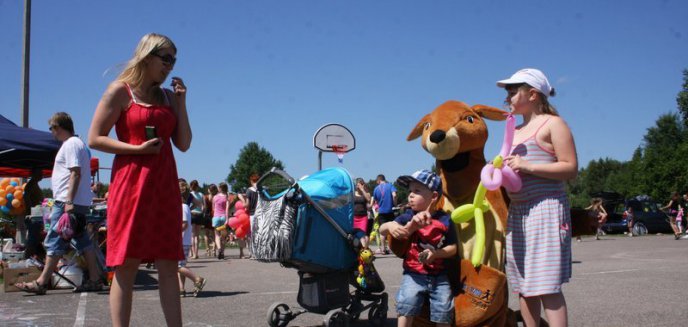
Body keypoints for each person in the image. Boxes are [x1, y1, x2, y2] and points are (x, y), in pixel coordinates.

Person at [87, 33, 191, 327]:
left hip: (164, 187)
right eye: (165, 59)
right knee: (126, 264)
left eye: (174, 60)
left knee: (169, 264)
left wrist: (181, 104)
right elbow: (95, 138)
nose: (170, 66)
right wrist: (136, 149)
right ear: (146, 56)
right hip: (130, 186)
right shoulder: (120, 92)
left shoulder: (170, 97)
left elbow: (183, 143)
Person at [499, 68, 577, 327]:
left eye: (513, 92)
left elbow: (570, 167)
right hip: (519, 212)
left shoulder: (553, 124)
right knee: (524, 286)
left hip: (546, 209)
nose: (508, 97)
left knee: (546, 286)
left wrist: (528, 165)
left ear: (532, 94)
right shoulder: (514, 130)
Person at [15, 112, 102, 294]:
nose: (51, 133)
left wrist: (68, 200)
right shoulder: (76, 144)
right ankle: (95, 279)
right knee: (82, 240)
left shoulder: (71, 144)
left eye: (52, 128)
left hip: (66, 202)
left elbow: (75, 172)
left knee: (55, 238)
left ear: (58, 127)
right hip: (73, 202)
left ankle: (41, 282)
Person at [379, 169, 457, 327]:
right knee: (406, 304)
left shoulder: (446, 220)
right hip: (413, 274)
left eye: (417, 191)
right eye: (409, 191)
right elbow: (384, 230)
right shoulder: (408, 216)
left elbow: (453, 248)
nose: (410, 195)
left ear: (434, 196)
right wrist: (391, 225)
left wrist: (436, 254)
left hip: (440, 276)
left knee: (444, 311)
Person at [177, 179, 206, 297]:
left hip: (181, 240)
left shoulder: (182, 207)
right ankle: (181, 289)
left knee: (176, 266)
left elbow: (184, 224)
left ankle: (197, 279)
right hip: (185, 240)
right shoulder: (185, 206)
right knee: (181, 266)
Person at [371, 174, 397, 255]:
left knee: (382, 231)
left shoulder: (376, 189)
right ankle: (391, 248)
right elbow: (394, 195)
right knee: (392, 230)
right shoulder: (390, 185)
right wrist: (395, 203)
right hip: (390, 210)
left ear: (379, 180)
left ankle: (383, 249)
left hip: (381, 212)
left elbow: (373, 201)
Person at [353, 178, 372, 248]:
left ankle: (364, 250)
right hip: (354, 217)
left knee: (362, 235)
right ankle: (357, 249)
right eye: (359, 184)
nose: (360, 185)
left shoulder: (366, 194)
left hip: (363, 217)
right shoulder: (352, 193)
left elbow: (369, 199)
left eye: (362, 184)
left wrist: (362, 190)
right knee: (355, 235)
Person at [212, 182, 229, 260]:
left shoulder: (214, 197)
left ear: (220, 188)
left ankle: (218, 249)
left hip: (216, 217)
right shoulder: (226, 197)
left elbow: (213, 208)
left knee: (217, 235)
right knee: (223, 236)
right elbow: (227, 209)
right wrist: (227, 219)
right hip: (223, 217)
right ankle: (222, 252)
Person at [188, 180, 204, 259]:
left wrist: (189, 209)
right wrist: (202, 212)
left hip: (192, 214)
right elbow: (204, 206)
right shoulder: (201, 194)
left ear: (190, 186)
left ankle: (193, 253)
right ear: (197, 186)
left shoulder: (189, 194)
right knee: (197, 236)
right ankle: (196, 253)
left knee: (192, 236)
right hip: (199, 215)